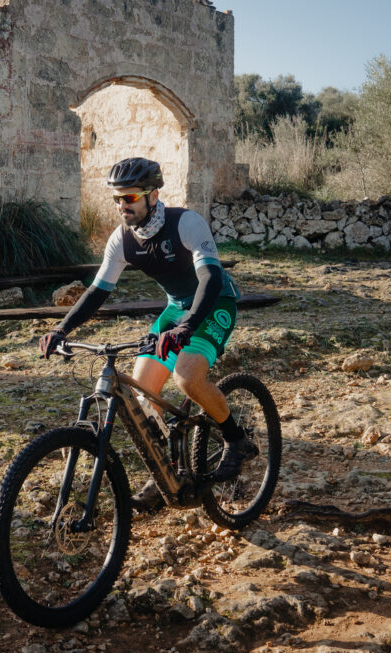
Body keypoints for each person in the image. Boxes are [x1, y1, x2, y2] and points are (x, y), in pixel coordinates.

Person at [38, 157, 256, 512]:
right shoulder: (121, 240)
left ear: (153, 195)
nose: (122, 206)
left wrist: (187, 326)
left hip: (215, 302)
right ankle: (165, 473)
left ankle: (236, 439)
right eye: (117, 200)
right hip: (175, 309)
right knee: (143, 396)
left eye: (130, 198)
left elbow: (211, 278)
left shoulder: (185, 222)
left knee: (186, 378)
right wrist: (61, 328)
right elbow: (97, 292)